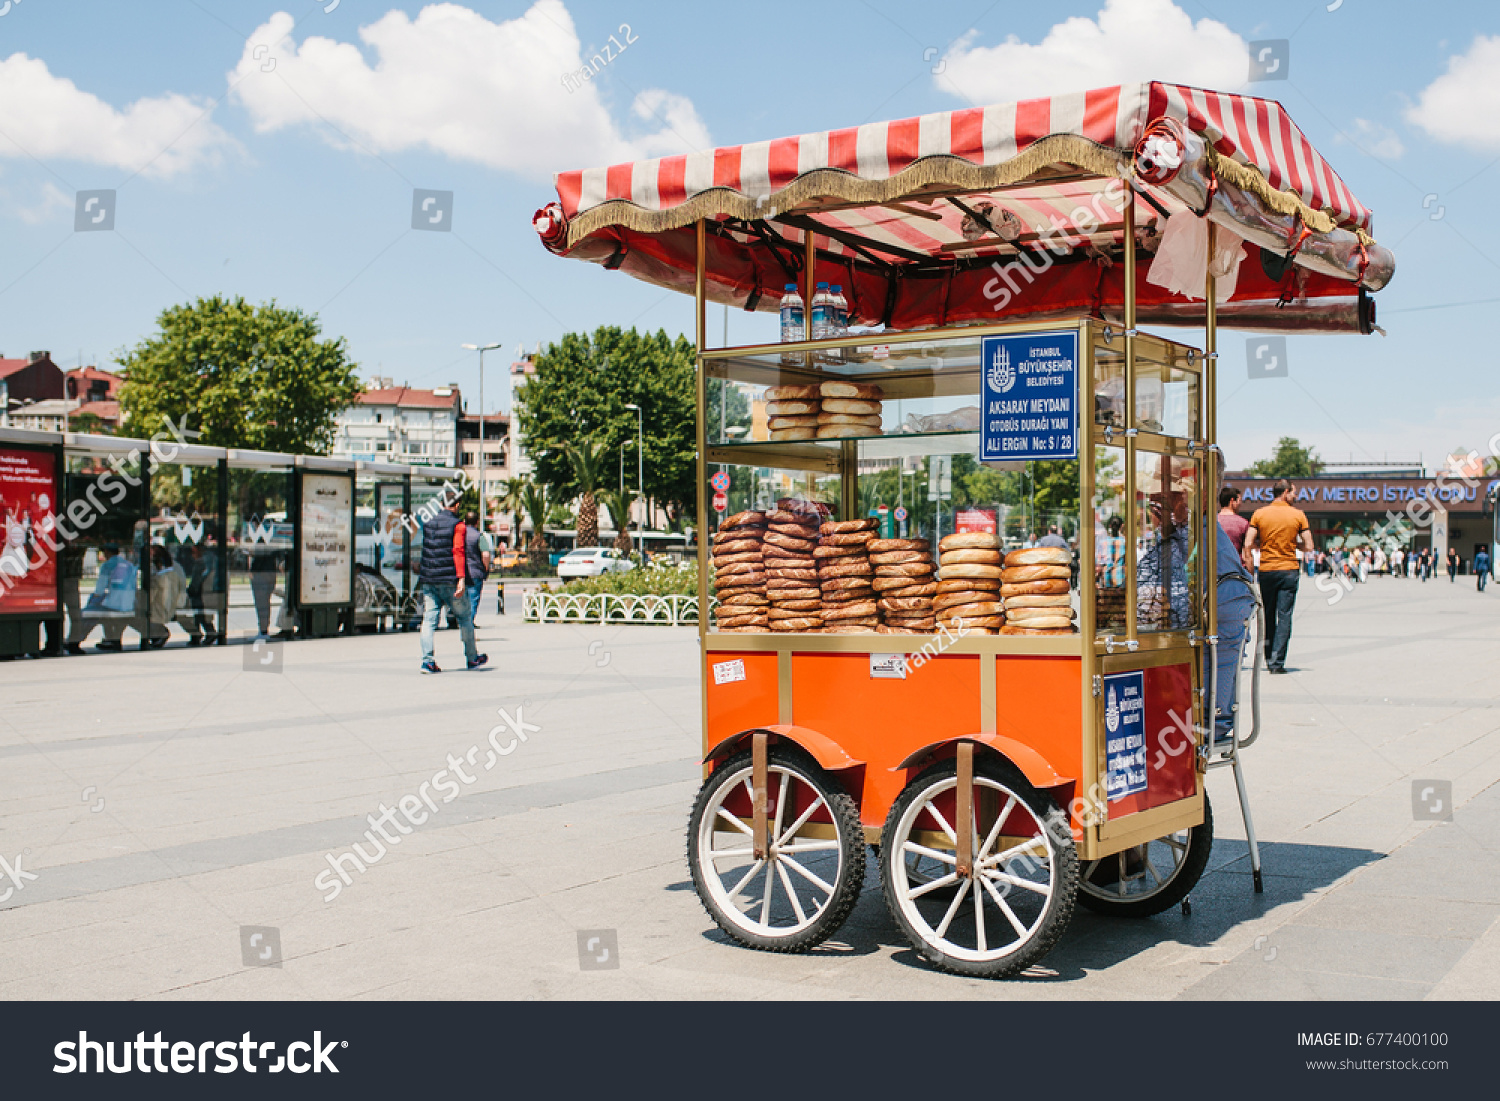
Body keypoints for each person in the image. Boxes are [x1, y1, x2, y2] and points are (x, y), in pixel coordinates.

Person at [1244, 479, 1312, 674]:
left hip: (1267, 570)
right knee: (1284, 617)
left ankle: (1267, 658)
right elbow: (1309, 546)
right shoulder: (1298, 515)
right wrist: (1294, 545)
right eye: (1293, 492)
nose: (1295, 496)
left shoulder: (1259, 514)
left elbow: (1248, 542)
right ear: (1285, 493)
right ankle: (1277, 662)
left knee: (1267, 616)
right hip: (1288, 570)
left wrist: (1263, 545)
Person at [417, 495, 486, 674]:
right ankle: (472, 658)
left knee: (429, 620)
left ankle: (427, 661)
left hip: (429, 579)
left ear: (441, 504)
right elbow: (458, 551)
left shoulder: (429, 523)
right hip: (450, 580)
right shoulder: (458, 525)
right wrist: (461, 579)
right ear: (456, 505)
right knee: (464, 618)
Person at [462, 510, 493, 631]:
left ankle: (461, 623)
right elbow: (485, 555)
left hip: (461, 572)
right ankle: (468, 624)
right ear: (477, 522)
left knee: (461, 599)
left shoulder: (459, 535)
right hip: (475, 572)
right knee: (473, 599)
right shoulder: (479, 536)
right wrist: (485, 567)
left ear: (464, 521)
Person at [1217, 486, 1250, 564]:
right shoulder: (1243, 523)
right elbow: (1247, 554)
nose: (1240, 504)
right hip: (1235, 569)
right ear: (1232, 501)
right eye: (1239, 500)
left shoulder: (1211, 522)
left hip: (1214, 568)